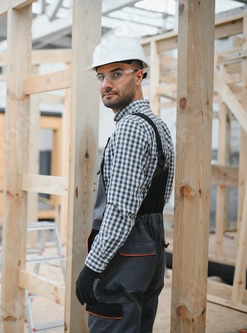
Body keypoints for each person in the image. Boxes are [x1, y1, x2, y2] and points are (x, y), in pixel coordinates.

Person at [75, 35, 175, 332]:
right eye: (101, 76)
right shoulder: (158, 126)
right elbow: (160, 195)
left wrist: (94, 265)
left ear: (139, 75)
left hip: (125, 252)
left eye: (116, 73)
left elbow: (120, 210)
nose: (106, 84)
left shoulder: (130, 128)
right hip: (151, 248)